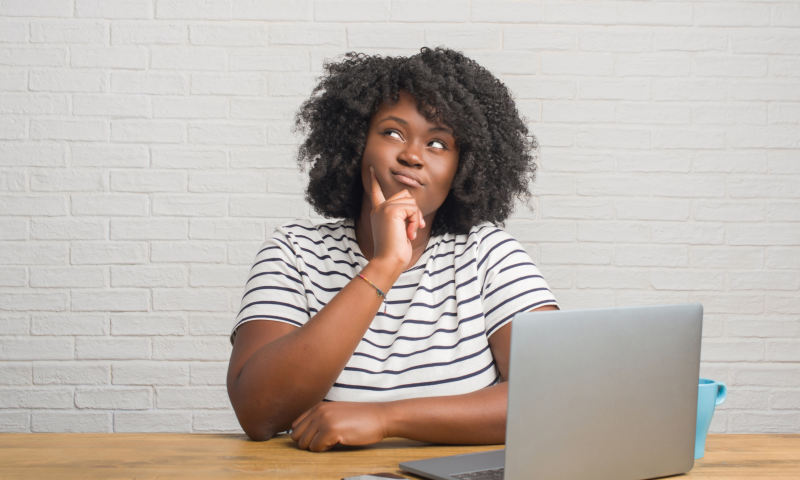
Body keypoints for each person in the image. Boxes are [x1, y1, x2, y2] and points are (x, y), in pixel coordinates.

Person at [226, 47, 558, 452]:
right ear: (356, 144)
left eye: (438, 144)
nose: (412, 155)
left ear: (463, 168)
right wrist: (385, 265)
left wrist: (386, 419)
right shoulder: (295, 252)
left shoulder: (488, 255)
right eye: (393, 132)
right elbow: (258, 413)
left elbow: (550, 397)